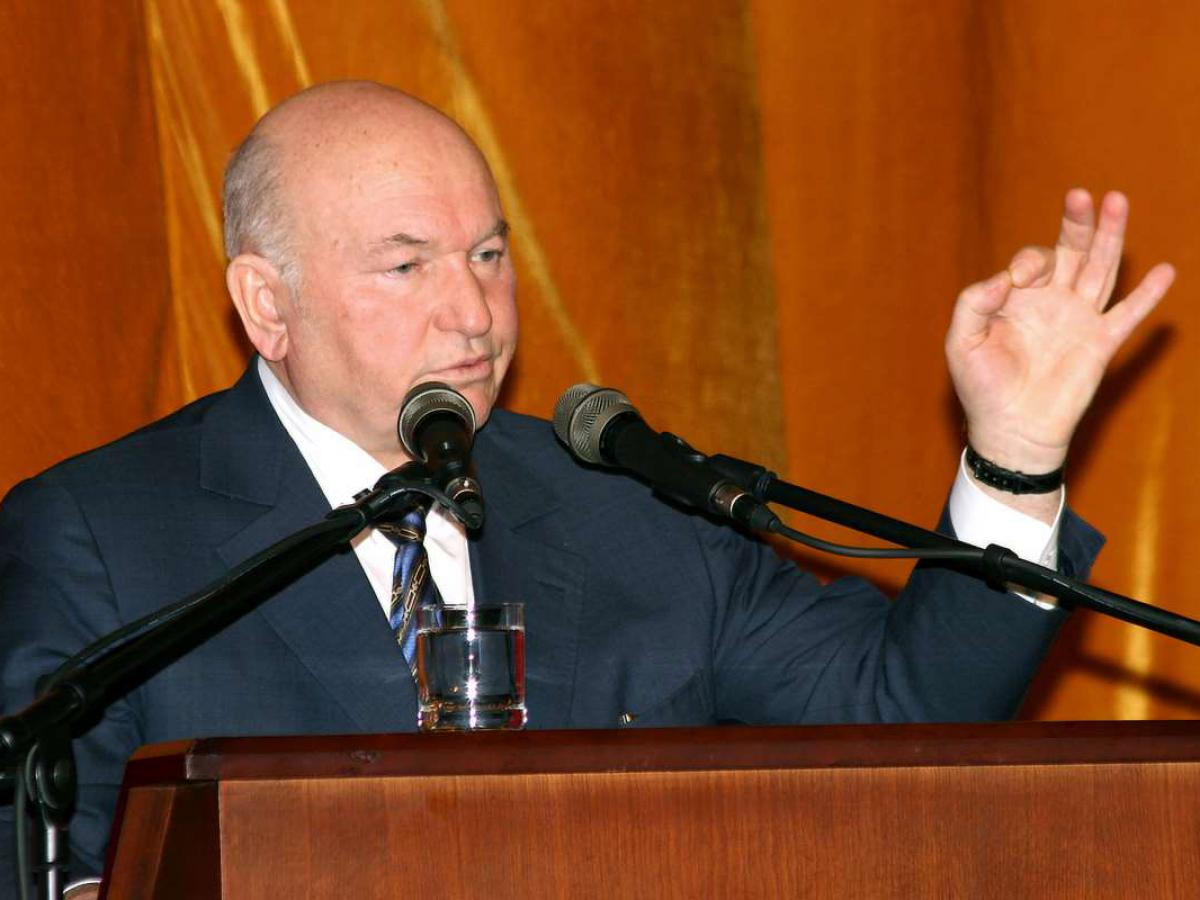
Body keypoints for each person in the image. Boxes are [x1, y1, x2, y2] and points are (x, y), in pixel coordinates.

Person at [0, 81, 1175, 893]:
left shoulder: (628, 508)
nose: (473, 314)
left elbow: (905, 714)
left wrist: (1016, 451)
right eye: (406, 265)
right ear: (268, 304)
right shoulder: (102, 535)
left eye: (489, 255)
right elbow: (47, 860)